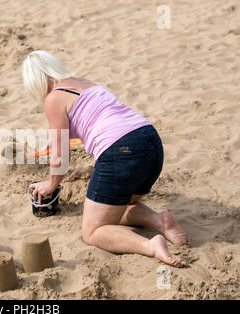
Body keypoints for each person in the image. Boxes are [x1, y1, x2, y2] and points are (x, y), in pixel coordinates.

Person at [24, 50, 190, 267]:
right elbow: (96, 120)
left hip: (121, 152)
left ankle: (151, 246)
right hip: (150, 142)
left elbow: (60, 157)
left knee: (92, 231)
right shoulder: (85, 82)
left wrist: (51, 184)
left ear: (34, 81)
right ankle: (160, 220)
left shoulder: (53, 97)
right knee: (114, 208)